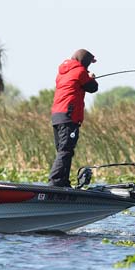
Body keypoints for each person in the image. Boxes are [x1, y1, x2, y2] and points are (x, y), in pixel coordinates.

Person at [48, 49, 99, 187]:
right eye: (88, 63)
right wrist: (91, 77)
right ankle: (56, 182)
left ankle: (63, 182)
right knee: (66, 150)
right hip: (69, 116)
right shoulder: (80, 71)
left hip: (57, 115)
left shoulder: (62, 73)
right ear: (85, 61)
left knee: (63, 151)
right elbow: (92, 87)